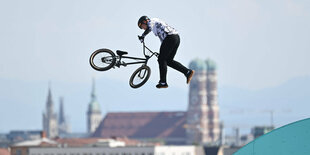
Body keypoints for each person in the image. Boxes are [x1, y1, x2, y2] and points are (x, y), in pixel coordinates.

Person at [138, 16, 195, 89]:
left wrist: (143, 36)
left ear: (145, 21)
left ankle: (163, 82)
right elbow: (151, 30)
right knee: (168, 61)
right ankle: (187, 72)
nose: (143, 28)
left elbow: (148, 28)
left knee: (161, 59)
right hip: (175, 38)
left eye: (142, 26)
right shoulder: (154, 25)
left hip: (170, 38)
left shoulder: (152, 21)